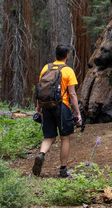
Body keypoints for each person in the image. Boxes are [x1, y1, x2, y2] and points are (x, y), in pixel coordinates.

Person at [32, 44, 83, 177]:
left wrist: (39, 109)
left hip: (47, 107)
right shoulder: (68, 71)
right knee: (65, 138)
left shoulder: (46, 68)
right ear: (67, 55)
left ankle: (41, 154)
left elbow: (40, 90)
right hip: (62, 107)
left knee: (49, 136)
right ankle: (63, 169)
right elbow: (72, 94)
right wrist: (77, 113)